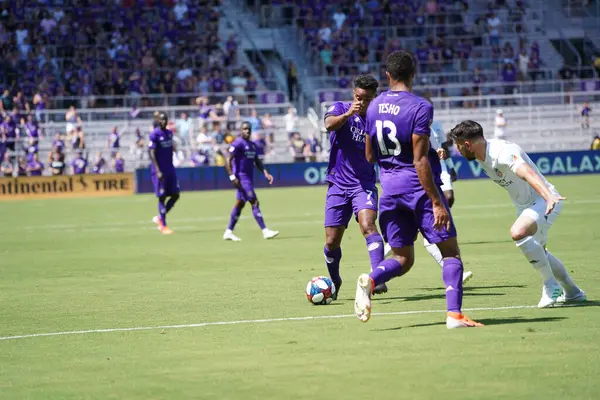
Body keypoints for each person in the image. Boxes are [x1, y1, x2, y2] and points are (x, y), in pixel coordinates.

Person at [355, 50, 483, 329]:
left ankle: (372, 279)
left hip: (389, 190)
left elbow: (368, 156)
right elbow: (420, 159)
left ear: (387, 76)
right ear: (414, 73)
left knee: (403, 257)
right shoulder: (420, 107)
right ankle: (454, 315)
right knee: (450, 253)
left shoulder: (373, 106)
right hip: (418, 189)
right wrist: (436, 201)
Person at [448, 120, 586, 307]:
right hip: (525, 205)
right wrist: (442, 154)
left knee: (518, 232)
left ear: (467, 144)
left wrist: (548, 196)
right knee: (541, 252)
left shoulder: (502, 152)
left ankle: (550, 285)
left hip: (542, 200)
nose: (458, 152)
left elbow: (526, 172)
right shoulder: (479, 154)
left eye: (458, 147)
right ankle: (573, 292)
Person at [383, 115, 473, 284]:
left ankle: (380, 263)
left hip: (438, 169)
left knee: (445, 205)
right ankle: (379, 261)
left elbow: (441, 146)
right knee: (429, 232)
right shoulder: (410, 128)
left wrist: (448, 162)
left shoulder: (435, 127)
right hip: (419, 178)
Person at [322, 74, 388, 298]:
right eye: (359, 97)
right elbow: (329, 125)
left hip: (364, 184)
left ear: (374, 98)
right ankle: (334, 280)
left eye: (367, 99)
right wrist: (349, 113)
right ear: (354, 94)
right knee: (331, 241)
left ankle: (377, 277)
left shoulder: (377, 120)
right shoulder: (340, 108)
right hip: (338, 184)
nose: (362, 102)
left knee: (368, 225)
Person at [223, 121, 279, 241]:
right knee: (254, 202)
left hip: (248, 178)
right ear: (240, 130)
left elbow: (257, 160)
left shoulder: (252, 145)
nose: (247, 131)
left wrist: (265, 172)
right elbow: (228, 159)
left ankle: (228, 232)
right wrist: (232, 176)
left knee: (240, 204)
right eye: (244, 129)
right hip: (241, 178)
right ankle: (265, 231)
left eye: (249, 129)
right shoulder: (238, 143)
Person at [149, 112, 180, 235]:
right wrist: (157, 170)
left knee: (175, 195)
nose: (163, 122)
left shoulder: (169, 133)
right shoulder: (154, 134)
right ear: (158, 121)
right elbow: (151, 153)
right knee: (162, 197)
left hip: (170, 169)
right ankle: (163, 226)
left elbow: (170, 145)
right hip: (160, 170)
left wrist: (173, 148)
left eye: (165, 120)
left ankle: (160, 217)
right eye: (161, 120)